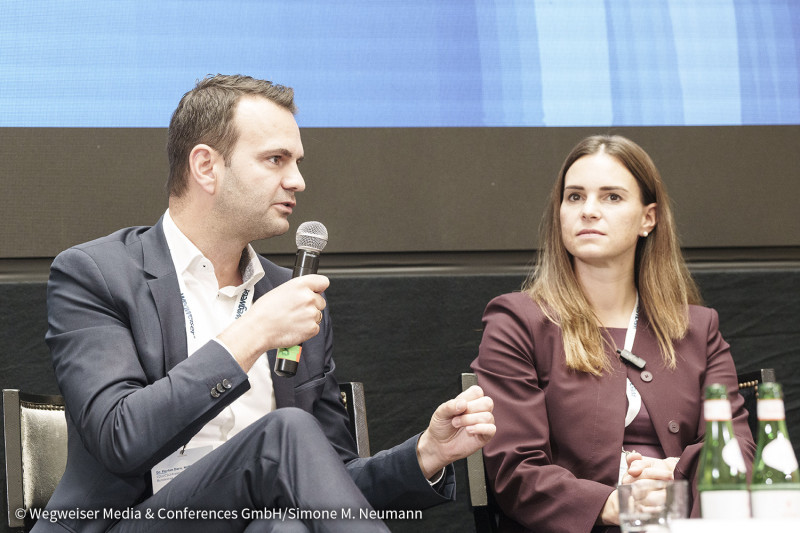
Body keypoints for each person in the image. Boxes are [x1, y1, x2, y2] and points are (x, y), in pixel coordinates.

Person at [39, 74, 495, 533]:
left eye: (296, 161)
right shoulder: (98, 274)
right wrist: (253, 333)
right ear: (206, 167)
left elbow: (329, 484)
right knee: (285, 431)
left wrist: (425, 455)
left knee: (285, 525)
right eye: (276, 159)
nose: (297, 180)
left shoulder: (289, 294)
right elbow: (121, 437)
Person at [471, 135, 754, 533]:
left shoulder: (698, 328)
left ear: (648, 218)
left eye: (611, 197)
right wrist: (616, 505)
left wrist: (676, 474)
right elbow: (516, 470)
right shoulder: (518, 322)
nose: (588, 211)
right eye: (574, 197)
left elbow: (737, 452)